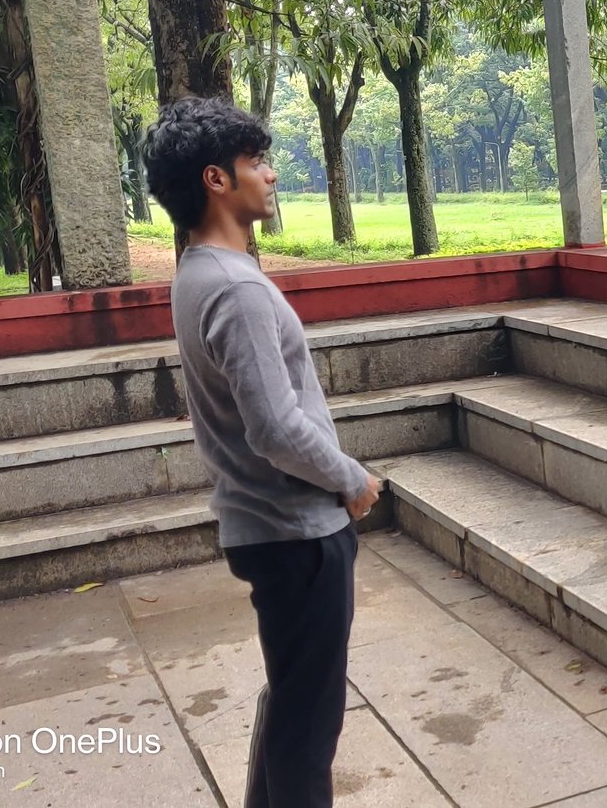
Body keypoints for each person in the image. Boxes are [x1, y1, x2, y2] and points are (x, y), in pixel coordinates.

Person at [145, 97, 378, 808]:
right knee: (309, 733)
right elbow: (275, 428)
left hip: (267, 529)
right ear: (217, 179)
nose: (271, 176)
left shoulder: (196, 272)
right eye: (257, 163)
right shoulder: (236, 287)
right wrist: (352, 479)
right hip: (296, 531)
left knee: (290, 706)